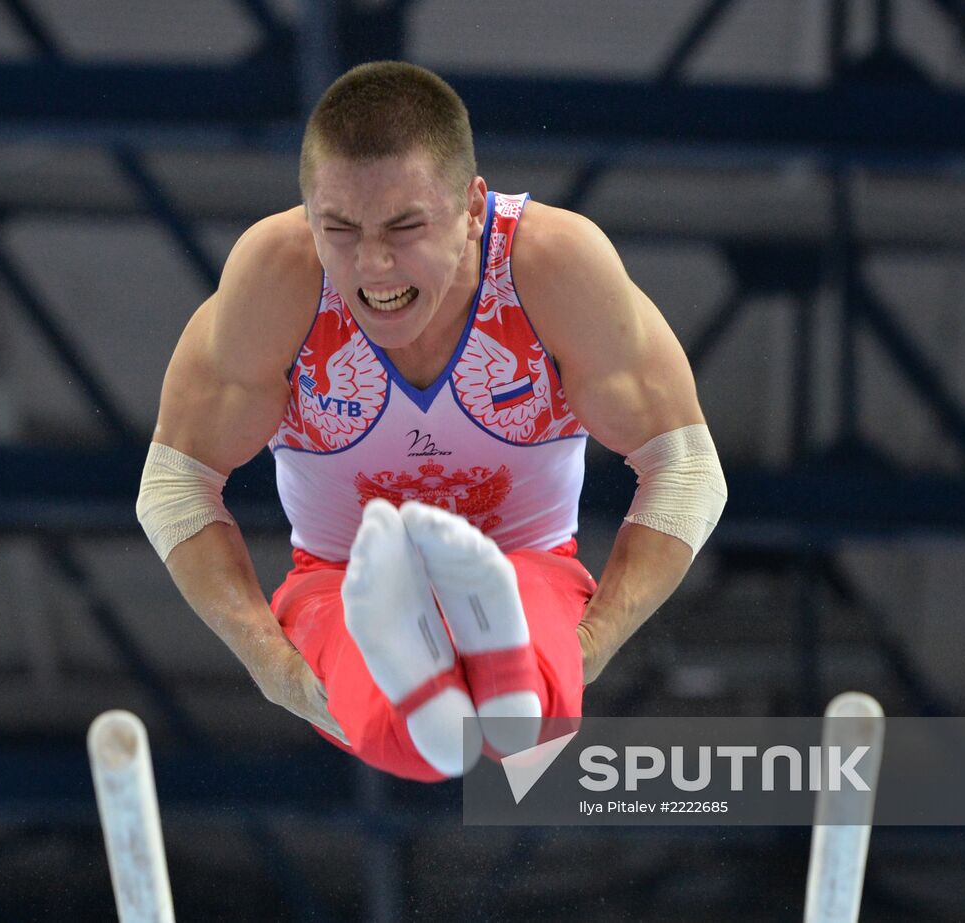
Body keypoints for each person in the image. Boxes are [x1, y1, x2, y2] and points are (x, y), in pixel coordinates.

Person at [136, 61, 726, 782]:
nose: (374, 264)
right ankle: (456, 678)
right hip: (341, 574)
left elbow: (688, 468)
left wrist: (593, 640)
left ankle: (499, 668)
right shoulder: (277, 276)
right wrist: (265, 654)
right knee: (393, 708)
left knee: (527, 680)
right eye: (340, 228)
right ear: (307, 213)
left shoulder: (552, 265)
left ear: (474, 208)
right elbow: (174, 483)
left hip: (526, 561)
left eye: (405, 225)